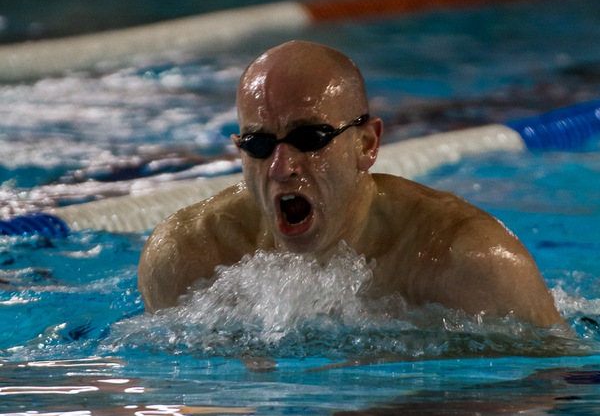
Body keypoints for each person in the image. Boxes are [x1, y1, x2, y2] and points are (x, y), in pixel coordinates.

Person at [138, 39, 562, 327]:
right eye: (259, 144)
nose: (281, 167)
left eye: (310, 138)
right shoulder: (189, 257)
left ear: (367, 143)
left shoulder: (470, 263)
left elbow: (554, 388)